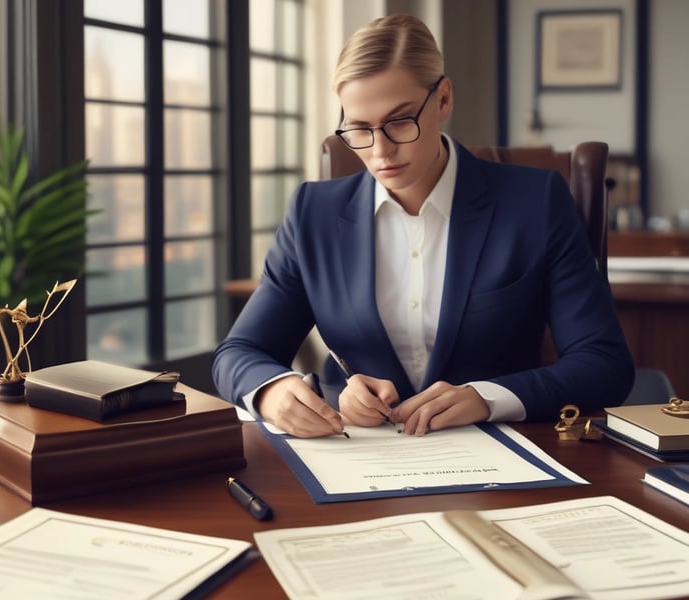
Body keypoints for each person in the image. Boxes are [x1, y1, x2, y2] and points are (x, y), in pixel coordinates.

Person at [212, 13, 634, 438]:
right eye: (359, 128)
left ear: (444, 100)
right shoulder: (312, 214)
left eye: (399, 122)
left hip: (500, 456)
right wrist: (274, 391)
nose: (380, 152)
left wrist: (486, 397)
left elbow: (604, 363)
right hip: (356, 455)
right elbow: (240, 352)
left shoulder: (537, 201)